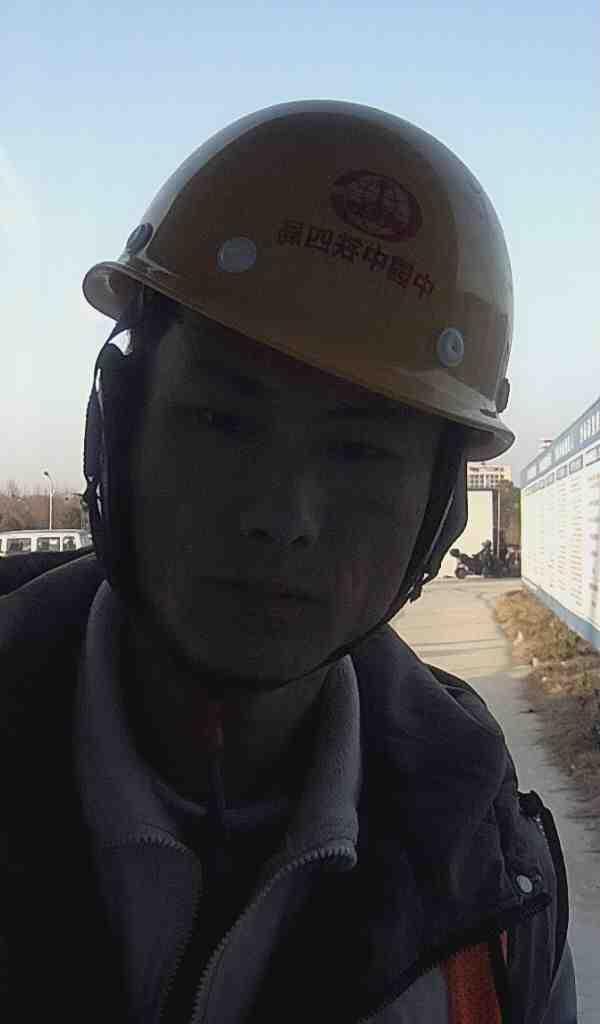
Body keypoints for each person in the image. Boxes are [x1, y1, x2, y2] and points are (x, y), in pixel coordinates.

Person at [3, 102, 577, 1022]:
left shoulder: (492, 876)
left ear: (437, 514)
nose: (281, 516)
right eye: (221, 423)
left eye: (359, 454)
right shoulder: (482, 874)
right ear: (118, 432)